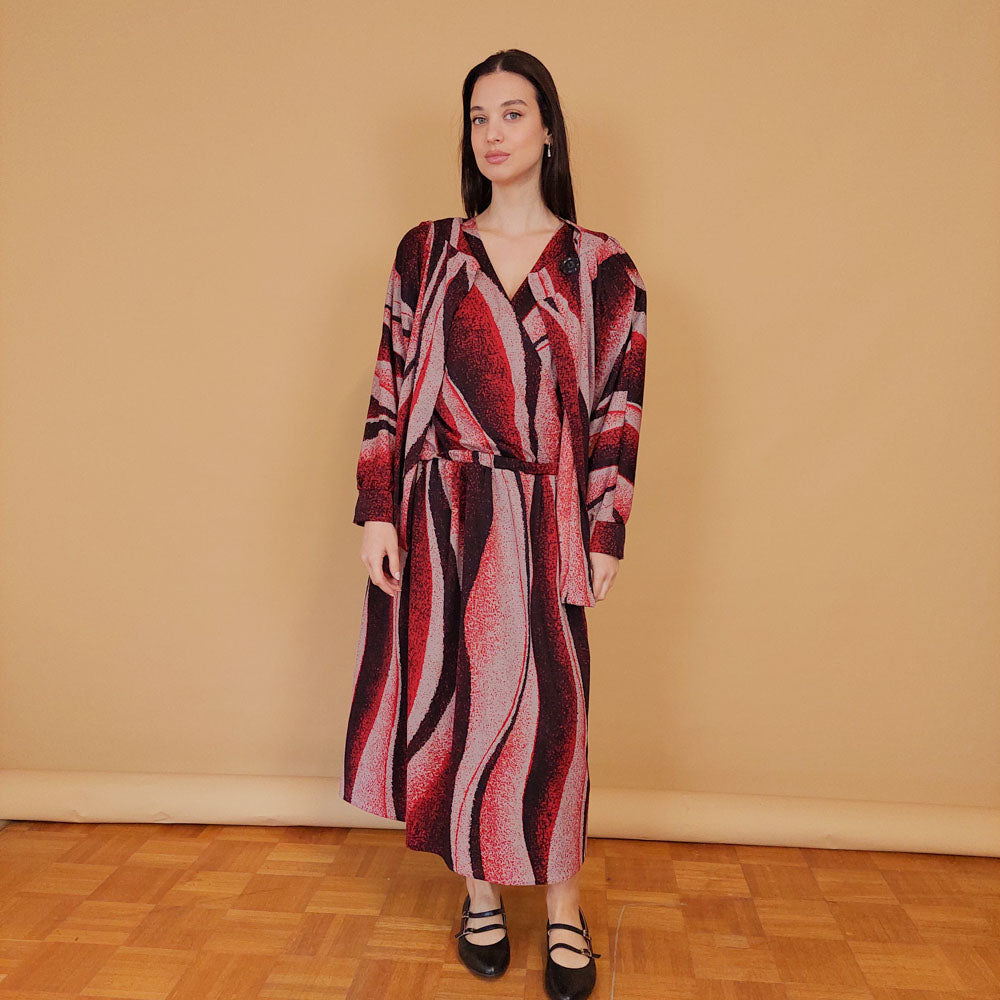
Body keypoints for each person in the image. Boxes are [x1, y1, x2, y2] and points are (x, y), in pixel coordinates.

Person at [340, 48, 647, 1000]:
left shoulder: (602, 267)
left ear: (548, 129)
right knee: (459, 705)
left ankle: (563, 911)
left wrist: (603, 530)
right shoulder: (426, 251)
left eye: (513, 113)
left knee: (554, 721)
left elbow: (619, 411)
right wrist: (378, 509)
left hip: (543, 514)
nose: (493, 132)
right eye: (479, 117)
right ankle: (479, 894)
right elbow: (390, 381)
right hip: (438, 512)